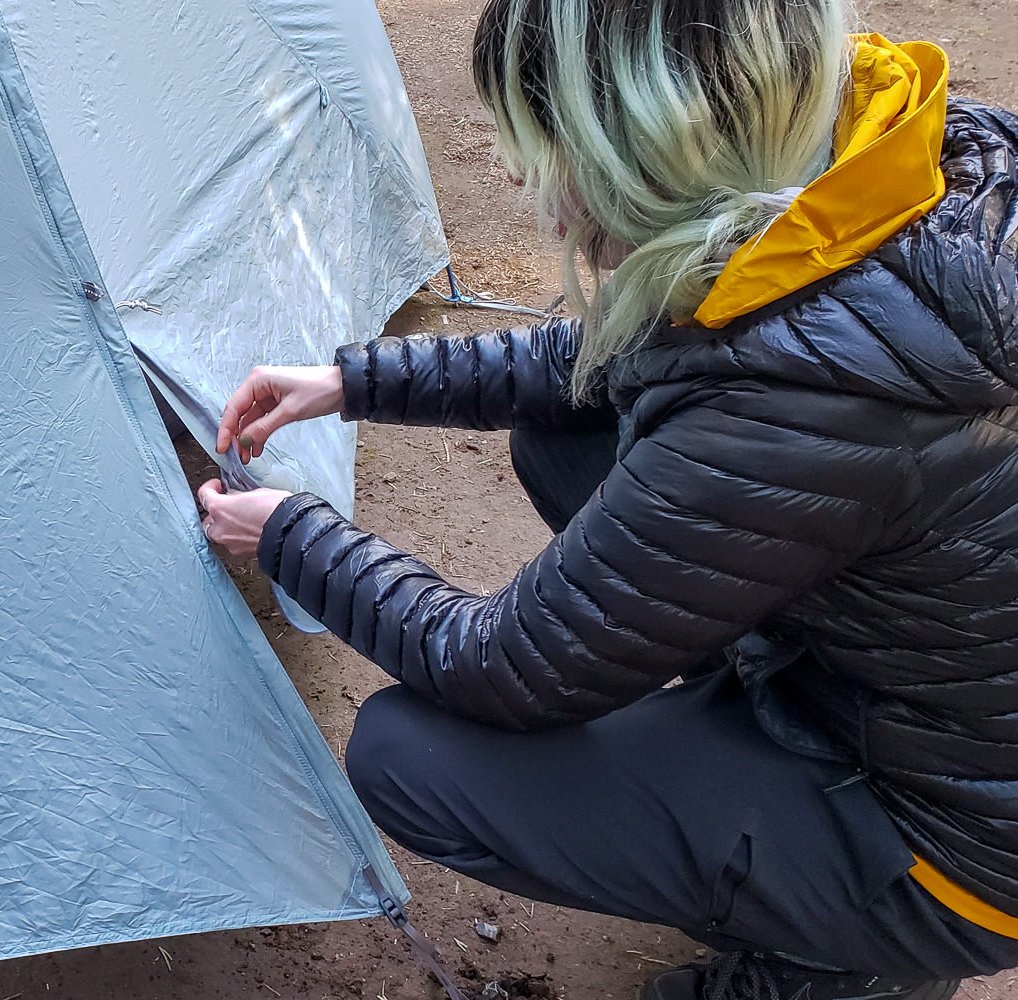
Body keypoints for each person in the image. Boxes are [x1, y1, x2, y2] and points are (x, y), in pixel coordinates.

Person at [194, 1, 1018, 998]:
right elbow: (621, 355)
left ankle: (855, 957)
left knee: (409, 759)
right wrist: (357, 380)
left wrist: (294, 535)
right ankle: (775, 761)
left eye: (547, 140)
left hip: (964, 845)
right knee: (568, 436)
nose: (514, 170)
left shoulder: (788, 411)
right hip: (950, 698)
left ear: (648, 147)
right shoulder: (880, 169)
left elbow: (503, 665)